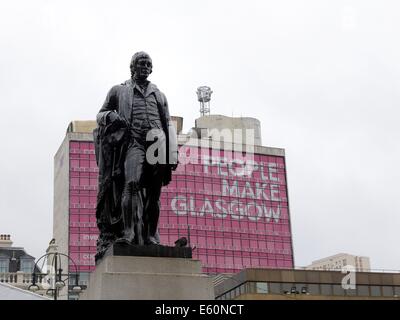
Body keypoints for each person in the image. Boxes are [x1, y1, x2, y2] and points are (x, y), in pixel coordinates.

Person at [94, 51, 177, 259]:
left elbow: (168, 123)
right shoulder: (118, 90)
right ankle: (129, 232)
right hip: (134, 141)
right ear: (133, 66)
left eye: (149, 63)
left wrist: (172, 154)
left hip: (157, 141)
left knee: (154, 193)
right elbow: (100, 114)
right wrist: (112, 115)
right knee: (131, 184)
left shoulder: (159, 94)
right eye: (141, 63)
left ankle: (150, 236)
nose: (145, 66)